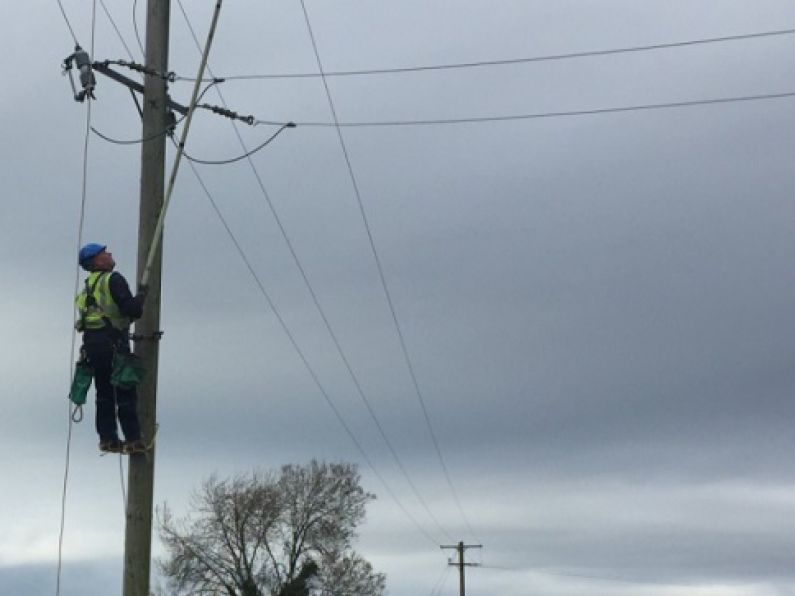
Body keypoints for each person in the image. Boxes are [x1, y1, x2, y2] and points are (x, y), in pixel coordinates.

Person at [75, 243, 147, 454]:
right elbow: (132, 310)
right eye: (104, 253)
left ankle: (108, 439)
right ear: (97, 260)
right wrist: (141, 296)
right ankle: (134, 440)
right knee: (125, 391)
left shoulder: (88, 286)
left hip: (92, 347)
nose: (110, 254)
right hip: (113, 343)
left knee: (104, 393)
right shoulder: (112, 280)